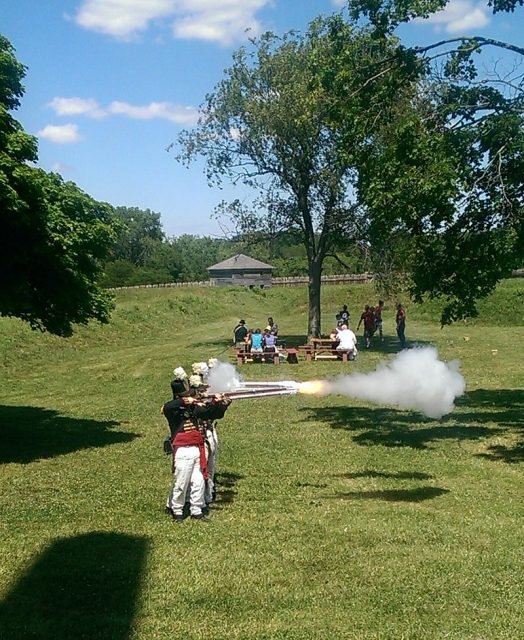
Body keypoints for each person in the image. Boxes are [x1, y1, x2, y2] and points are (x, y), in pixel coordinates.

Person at [162, 370, 211, 523]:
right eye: (186, 396)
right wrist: (184, 402)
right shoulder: (174, 411)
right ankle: (177, 509)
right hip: (182, 450)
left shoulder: (194, 408)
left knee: (198, 481)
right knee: (181, 482)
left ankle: (196, 510)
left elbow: (211, 413)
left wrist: (221, 404)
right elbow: (168, 407)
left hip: (197, 448)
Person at [189, 369, 231, 508]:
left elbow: (216, 415)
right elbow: (206, 412)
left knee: (210, 466)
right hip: (198, 437)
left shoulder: (205, 401)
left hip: (209, 433)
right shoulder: (192, 405)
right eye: (201, 390)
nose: (204, 391)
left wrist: (223, 404)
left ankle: (209, 493)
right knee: (200, 469)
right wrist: (214, 403)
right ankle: (195, 498)